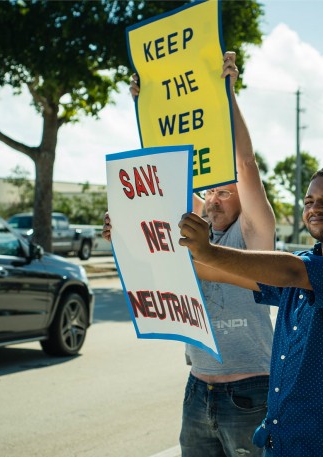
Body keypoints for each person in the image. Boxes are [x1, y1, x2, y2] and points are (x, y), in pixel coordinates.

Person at [104, 52, 277, 457]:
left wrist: (226, 94)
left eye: (225, 192)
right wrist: (145, 106)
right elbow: (158, 183)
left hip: (250, 391)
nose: (214, 199)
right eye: (209, 191)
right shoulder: (191, 233)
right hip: (198, 388)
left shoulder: (252, 235)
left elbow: (245, 163)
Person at [178, 165, 323, 457]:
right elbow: (219, 272)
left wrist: (209, 251)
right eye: (309, 202)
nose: (315, 208)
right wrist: (132, 244)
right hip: (285, 439)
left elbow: (289, 270)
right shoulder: (309, 262)